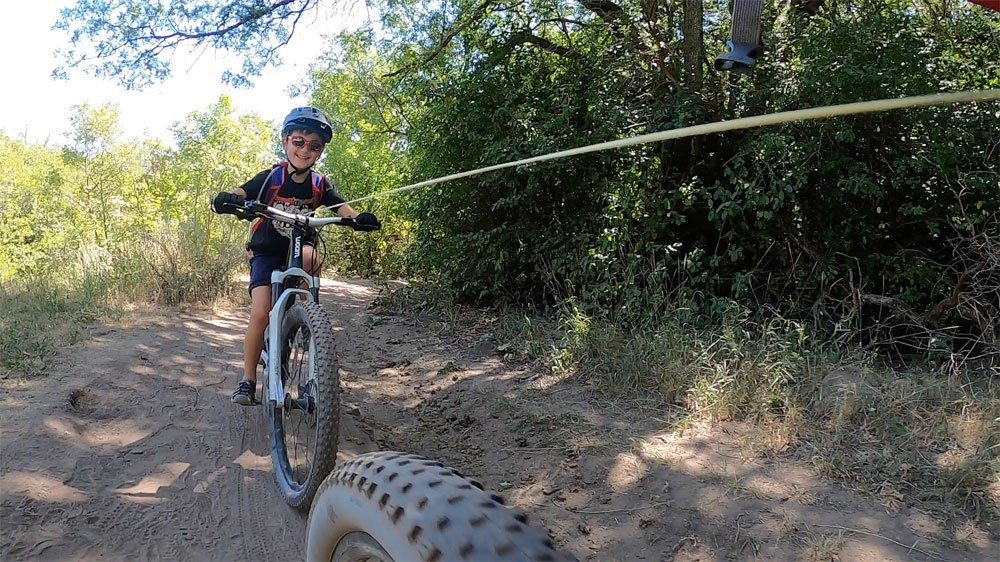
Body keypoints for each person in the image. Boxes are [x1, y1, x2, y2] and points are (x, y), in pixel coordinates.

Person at [211, 106, 380, 405]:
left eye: (314, 145)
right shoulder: (271, 178)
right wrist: (229, 199)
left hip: (299, 249)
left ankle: (305, 312)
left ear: (321, 151)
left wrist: (358, 219)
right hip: (266, 251)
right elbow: (243, 191)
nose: (305, 150)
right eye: (299, 141)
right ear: (286, 142)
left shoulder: (320, 184)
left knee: (311, 257)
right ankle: (248, 380)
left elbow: (342, 207)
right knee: (261, 311)